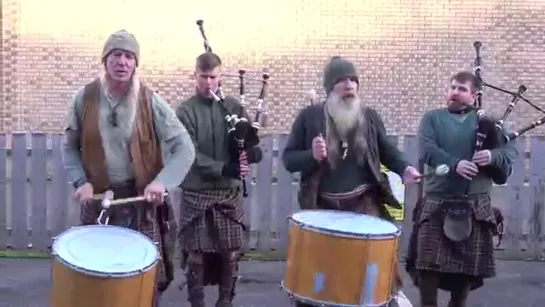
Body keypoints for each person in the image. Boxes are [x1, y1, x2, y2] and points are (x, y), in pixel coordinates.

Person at [61, 29, 196, 306]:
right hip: (99, 203)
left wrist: (162, 182)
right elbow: (69, 146)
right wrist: (79, 181)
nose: (122, 62)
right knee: (95, 277)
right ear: (105, 60)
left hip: (141, 202)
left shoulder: (149, 101)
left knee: (142, 283)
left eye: (128, 56)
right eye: (116, 55)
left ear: (135, 63)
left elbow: (185, 147)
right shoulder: (84, 98)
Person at [281, 56, 421, 307]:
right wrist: (311, 156)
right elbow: (289, 160)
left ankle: (387, 294)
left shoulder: (369, 117)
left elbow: (387, 150)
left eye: (353, 80)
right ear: (330, 87)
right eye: (342, 80)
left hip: (364, 201)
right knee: (324, 272)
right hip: (322, 205)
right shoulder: (310, 117)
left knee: (373, 264)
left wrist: (405, 168)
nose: (349, 85)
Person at [405, 71, 518, 307]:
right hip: (437, 202)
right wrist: (455, 164)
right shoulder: (432, 118)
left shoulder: (489, 122)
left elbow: (509, 154)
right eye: (453, 87)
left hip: (474, 206)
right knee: (427, 267)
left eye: (462, 89)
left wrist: (493, 155)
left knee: (465, 273)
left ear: (474, 96)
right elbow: (427, 149)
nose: (455, 92)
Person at [175, 51, 263, 307]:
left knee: (230, 254)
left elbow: (247, 140)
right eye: (204, 77)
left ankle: (225, 302)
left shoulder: (233, 107)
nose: (209, 83)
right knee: (196, 257)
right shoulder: (185, 111)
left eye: (213, 77)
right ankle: (197, 304)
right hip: (196, 191)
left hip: (228, 192)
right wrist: (223, 168)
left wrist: (251, 151)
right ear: (196, 76)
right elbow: (188, 152)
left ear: (220, 77)